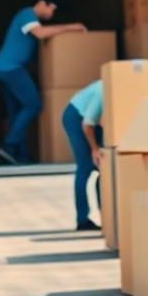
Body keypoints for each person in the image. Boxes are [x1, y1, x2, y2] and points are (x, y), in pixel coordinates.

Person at [0, 0, 87, 165]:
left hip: (5, 68)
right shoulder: (27, 14)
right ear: (43, 4)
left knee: (17, 111)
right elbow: (41, 33)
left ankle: (18, 155)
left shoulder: (29, 17)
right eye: (52, 10)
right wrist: (72, 27)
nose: (52, 15)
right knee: (33, 104)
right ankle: (9, 145)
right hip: (11, 68)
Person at [62, 78, 104, 231]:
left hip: (93, 122)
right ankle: (82, 219)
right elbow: (87, 125)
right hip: (76, 116)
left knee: (104, 167)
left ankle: (107, 215)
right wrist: (94, 149)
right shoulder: (103, 93)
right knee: (85, 167)